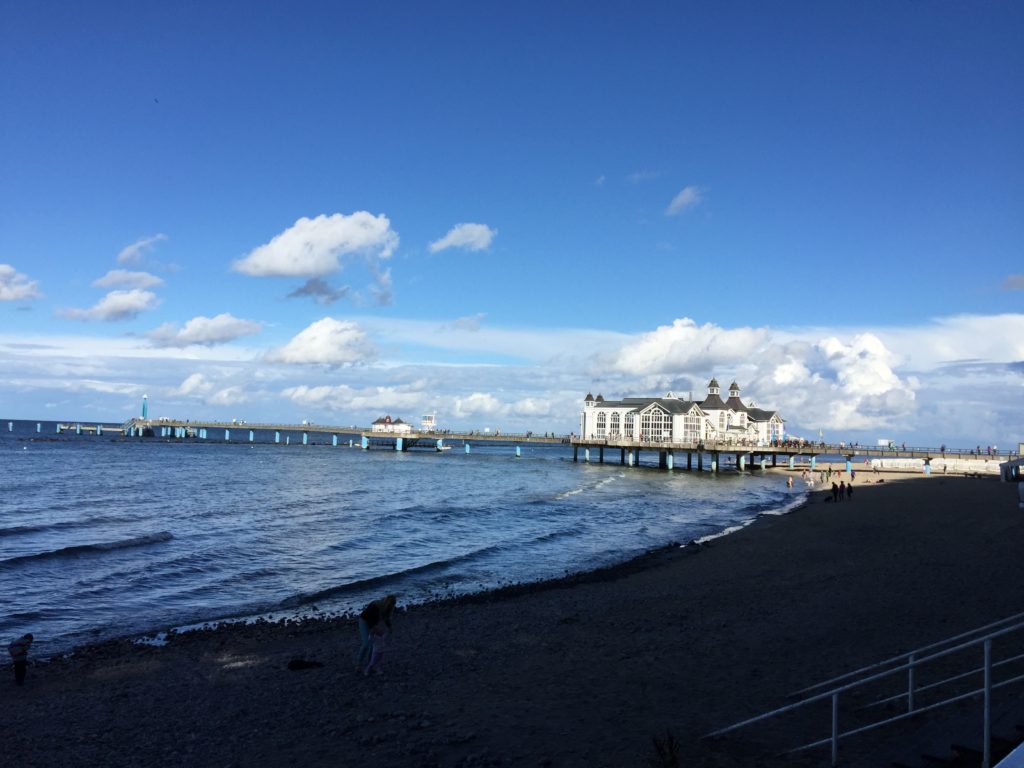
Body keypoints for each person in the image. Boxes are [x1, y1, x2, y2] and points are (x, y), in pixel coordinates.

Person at [355, 595, 396, 673]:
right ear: (386, 602)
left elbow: (386, 618)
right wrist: (375, 629)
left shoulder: (388, 609)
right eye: (390, 604)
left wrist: (390, 627)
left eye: (392, 605)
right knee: (366, 644)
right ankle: (358, 665)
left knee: (373, 645)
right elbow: (370, 620)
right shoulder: (376, 605)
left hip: (373, 623)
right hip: (364, 621)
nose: (391, 606)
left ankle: (371, 665)